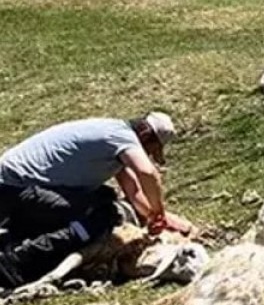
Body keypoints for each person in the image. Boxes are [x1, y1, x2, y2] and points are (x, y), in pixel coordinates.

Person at [0, 112, 191, 289]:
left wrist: (153, 217)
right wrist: (160, 212)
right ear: (144, 134)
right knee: (102, 216)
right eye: (150, 149)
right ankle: (17, 261)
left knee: (104, 196)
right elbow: (147, 173)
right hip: (16, 186)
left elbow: (133, 191)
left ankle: (16, 236)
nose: (148, 155)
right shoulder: (123, 138)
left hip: (16, 184)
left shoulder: (111, 137)